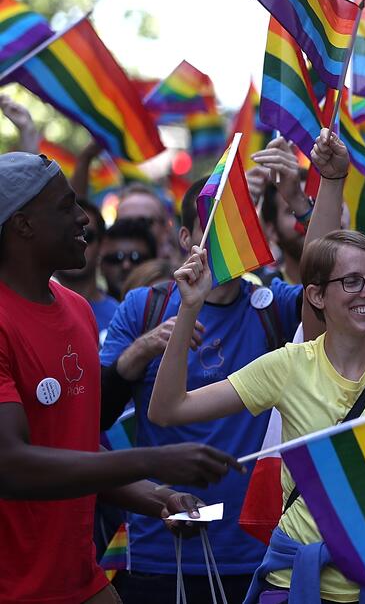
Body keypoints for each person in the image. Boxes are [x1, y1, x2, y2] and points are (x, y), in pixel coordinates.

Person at [146, 128, 365, 603]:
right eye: (350, 282)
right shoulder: (287, 365)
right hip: (294, 585)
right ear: (316, 297)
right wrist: (189, 308)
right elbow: (168, 410)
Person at [0, 151, 238, 604]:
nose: (83, 220)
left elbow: (75, 450)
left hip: (82, 581)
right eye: (66, 207)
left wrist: (155, 495)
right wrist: (152, 461)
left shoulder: (76, 311)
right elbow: (10, 465)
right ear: (23, 226)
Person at [99, 175, 303, 602]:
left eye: (238, 225)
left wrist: (304, 203)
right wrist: (144, 349)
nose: (228, 237)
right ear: (187, 236)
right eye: (216, 225)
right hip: (160, 551)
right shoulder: (143, 307)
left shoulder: (275, 306)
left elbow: (328, 285)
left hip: (256, 550)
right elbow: (94, 415)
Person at [55, 197, 118, 343]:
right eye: (65, 235)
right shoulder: (30, 309)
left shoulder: (119, 314)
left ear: (103, 245)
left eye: (85, 235)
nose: (74, 243)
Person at [254, 138, 313, 285]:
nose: (305, 221)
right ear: (271, 229)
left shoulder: (351, 287)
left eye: (313, 205)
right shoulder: (262, 297)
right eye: (292, 210)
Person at [98, 217, 158, 300]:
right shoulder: (87, 310)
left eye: (136, 258)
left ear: (154, 264)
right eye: (116, 258)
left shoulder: (173, 308)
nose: (126, 266)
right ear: (101, 265)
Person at [115, 183, 179, 260]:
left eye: (143, 222)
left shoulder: (184, 270)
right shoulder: (105, 268)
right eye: (125, 223)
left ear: (165, 229)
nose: (134, 229)